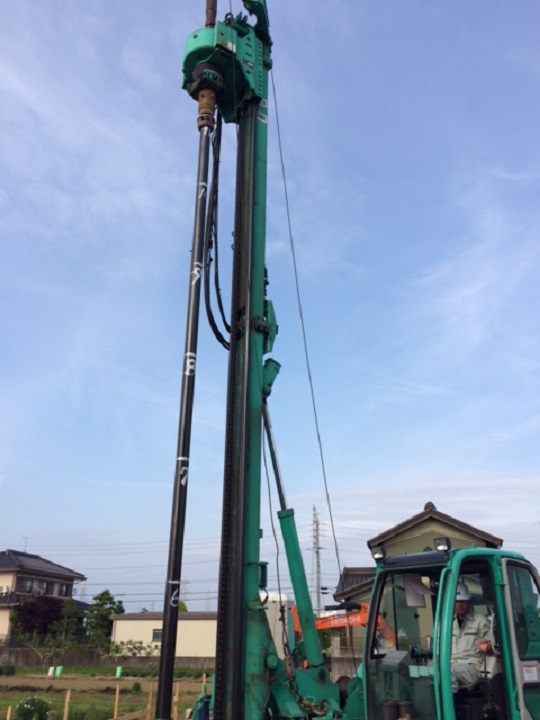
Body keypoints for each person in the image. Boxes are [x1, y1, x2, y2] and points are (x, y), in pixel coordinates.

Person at [451, 582, 493, 693]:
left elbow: (491, 645)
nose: (460, 605)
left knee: (448, 671)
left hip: (472, 667)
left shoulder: (481, 621)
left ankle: (450, 701)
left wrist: (487, 646)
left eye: (463, 601)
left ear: (468, 601)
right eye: (457, 602)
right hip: (452, 664)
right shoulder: (448, 623)